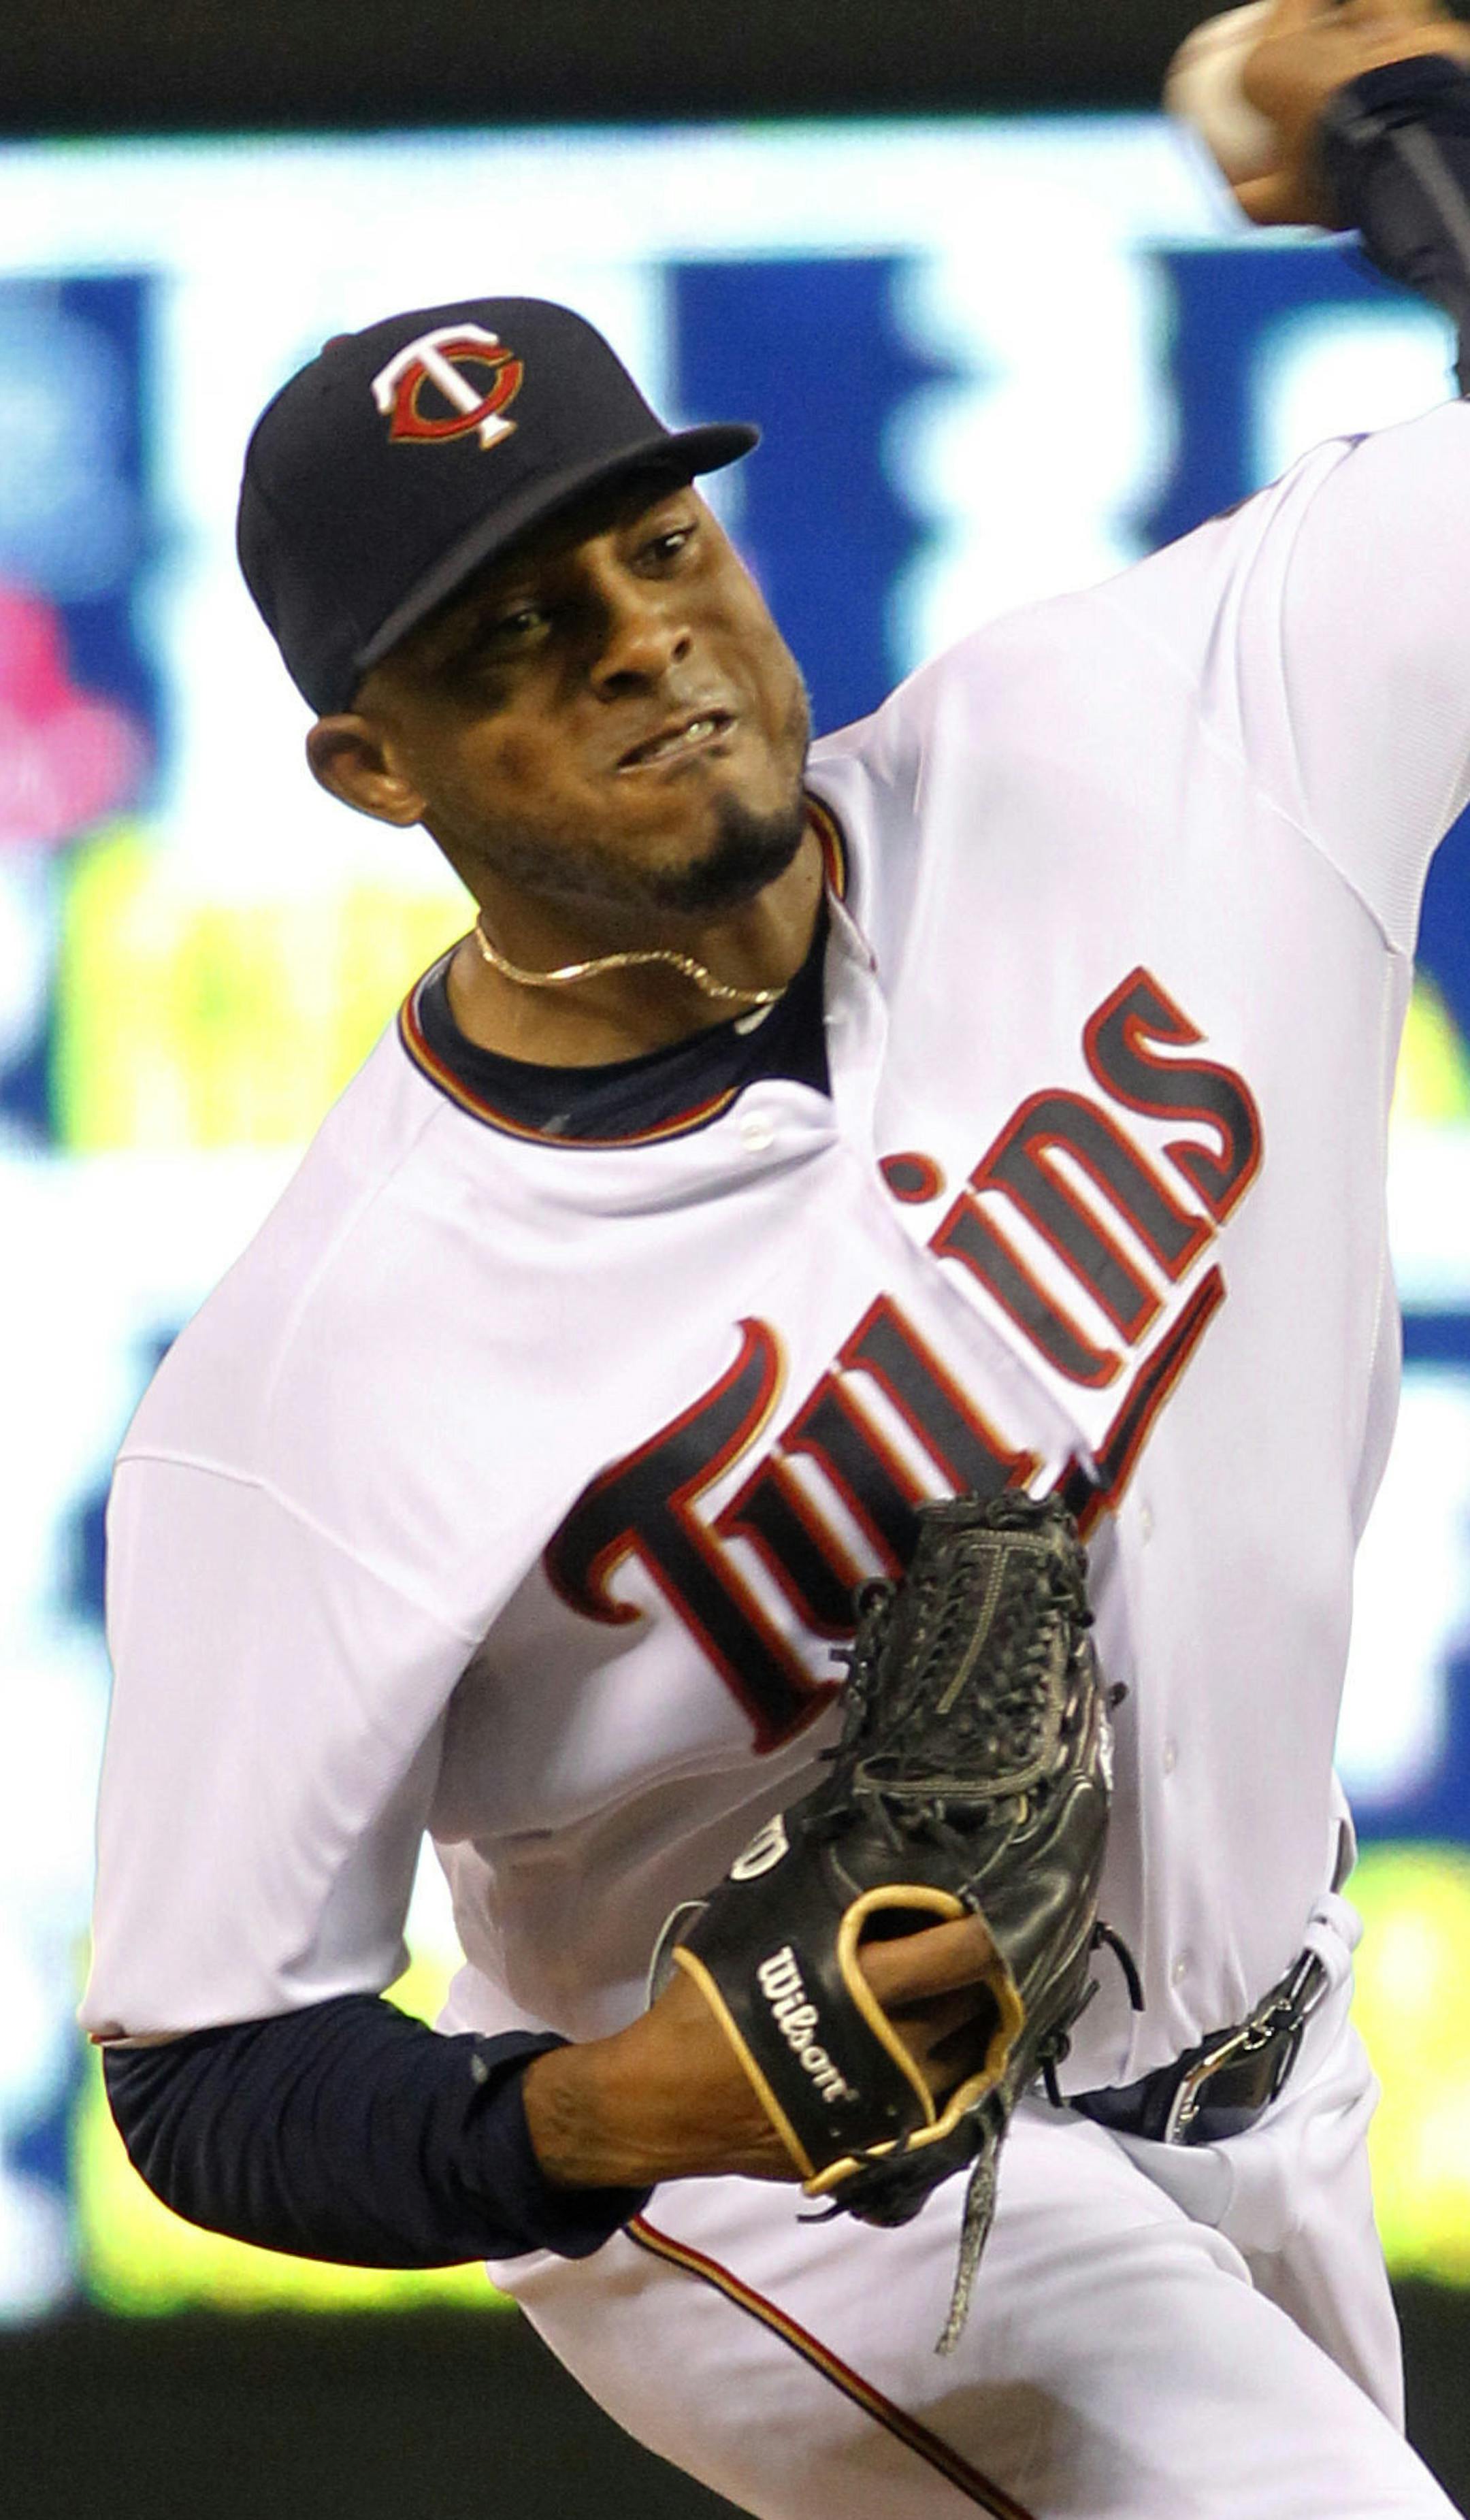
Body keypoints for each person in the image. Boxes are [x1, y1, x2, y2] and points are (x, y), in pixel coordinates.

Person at [83, 5, 1470, 2513]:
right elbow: (205, 2070)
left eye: (655, 543)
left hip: (1279, 2053)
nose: (641, 638)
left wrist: (1408, 133)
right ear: (372, 765)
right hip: (801, 2206)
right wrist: (618, 2109)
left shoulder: (1159, 744)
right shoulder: (325, 1373)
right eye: (512, 630)